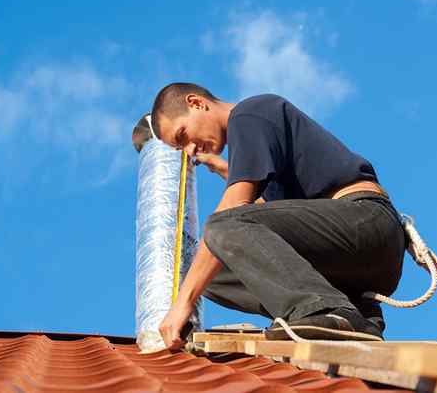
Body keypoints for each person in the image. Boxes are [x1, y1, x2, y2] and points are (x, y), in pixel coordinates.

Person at [132, 82, 407, 350]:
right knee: (213, 273)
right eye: (181, 149)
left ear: (196, 103)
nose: (190, 149)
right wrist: (225, 169)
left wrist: (183, 301)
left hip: (365, 221)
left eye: (183, 136)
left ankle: (321, 308)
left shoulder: (249, 114)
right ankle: (354, 317)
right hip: (353, 263)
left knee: (220, 229)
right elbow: (264, 223)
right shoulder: (257, 141)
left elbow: (235, 212)